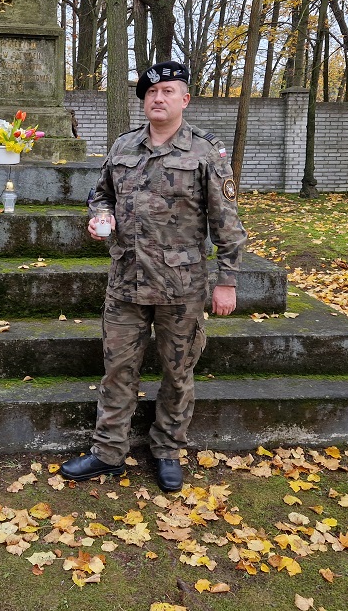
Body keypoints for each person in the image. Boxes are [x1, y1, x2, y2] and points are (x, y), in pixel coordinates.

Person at [60, 61, 247, 492]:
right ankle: (108, 453)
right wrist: (100, 217)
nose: (157, 98)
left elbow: (227, 225)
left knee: (177, 371)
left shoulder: (205, 152)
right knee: (117, 369)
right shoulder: (124, 145)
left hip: (181, 287)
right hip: (125, 281)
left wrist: (227, 281)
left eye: (167, 91)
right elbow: (100, 194)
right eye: (150, 92)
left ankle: (166, 450)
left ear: (185, 99)